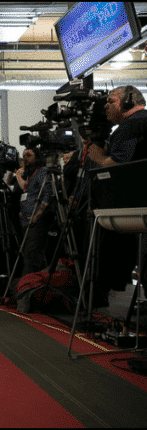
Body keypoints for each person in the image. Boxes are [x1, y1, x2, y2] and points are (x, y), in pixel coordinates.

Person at [83, 85, 147, 307]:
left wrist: (99, 158)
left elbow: (119, 165)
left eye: (111, 101)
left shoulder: (130, 125)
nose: (106, 106)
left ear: (128, 101)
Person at [13, 148, 53, 277]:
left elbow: (47, 195)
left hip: (37, 221)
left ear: (37, 157)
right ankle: (37, 283)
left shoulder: (42, 171)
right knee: (32, 255)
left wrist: (38, 214)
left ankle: (28, 286)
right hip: (26, 220)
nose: (25, 158)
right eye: (24, 155)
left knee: (32, 255)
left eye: (29, 155)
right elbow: (27, 191)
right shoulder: (29, 174)